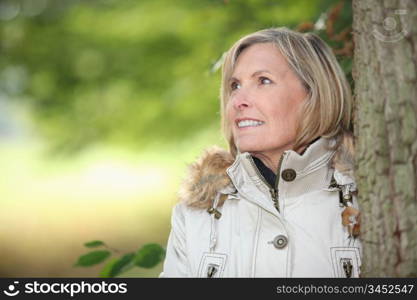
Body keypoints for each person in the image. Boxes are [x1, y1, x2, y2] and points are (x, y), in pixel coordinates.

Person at [160, 27, 361, 278]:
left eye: (263, 81)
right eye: (235, 85)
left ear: (315, 94)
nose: (238, 101)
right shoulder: (195, 214)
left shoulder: (371, 197)